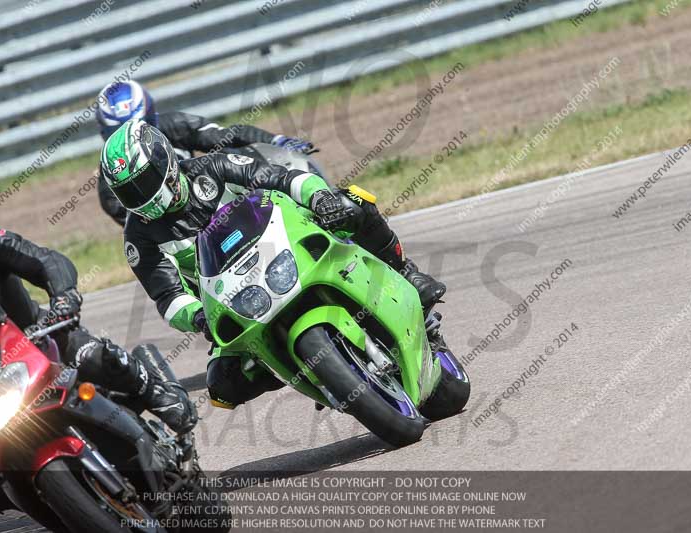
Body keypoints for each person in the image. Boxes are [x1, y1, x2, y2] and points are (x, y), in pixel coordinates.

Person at [100, 119, 447, 409]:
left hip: (286, 247)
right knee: (224, 386)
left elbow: (280, 177)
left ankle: (405, 272)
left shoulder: (213, 167)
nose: (141, 195)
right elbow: (168, 297)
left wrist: (319, 196)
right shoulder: (139, 238)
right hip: (233, 300)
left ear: (165, 163)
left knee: (352, 201)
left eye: (144, 182)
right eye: (130, 191)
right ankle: (316, 372)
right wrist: (198, 316)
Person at [0, 216, 196, 519]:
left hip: (44, 344)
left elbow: (47, 261)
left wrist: (64, 298)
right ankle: (63, 508)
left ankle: (160, 391)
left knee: (95, 357)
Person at [94, 80, 314, 226]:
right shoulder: (112, 174)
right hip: (173, 227)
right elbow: (129, 222)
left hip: (207, 196)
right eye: (119, 132)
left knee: (235, 153)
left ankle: (303, 207)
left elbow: (224, 136)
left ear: (151, 118)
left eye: (139, 126)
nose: (132, 138)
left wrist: (276, 141)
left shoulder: (174, 125)